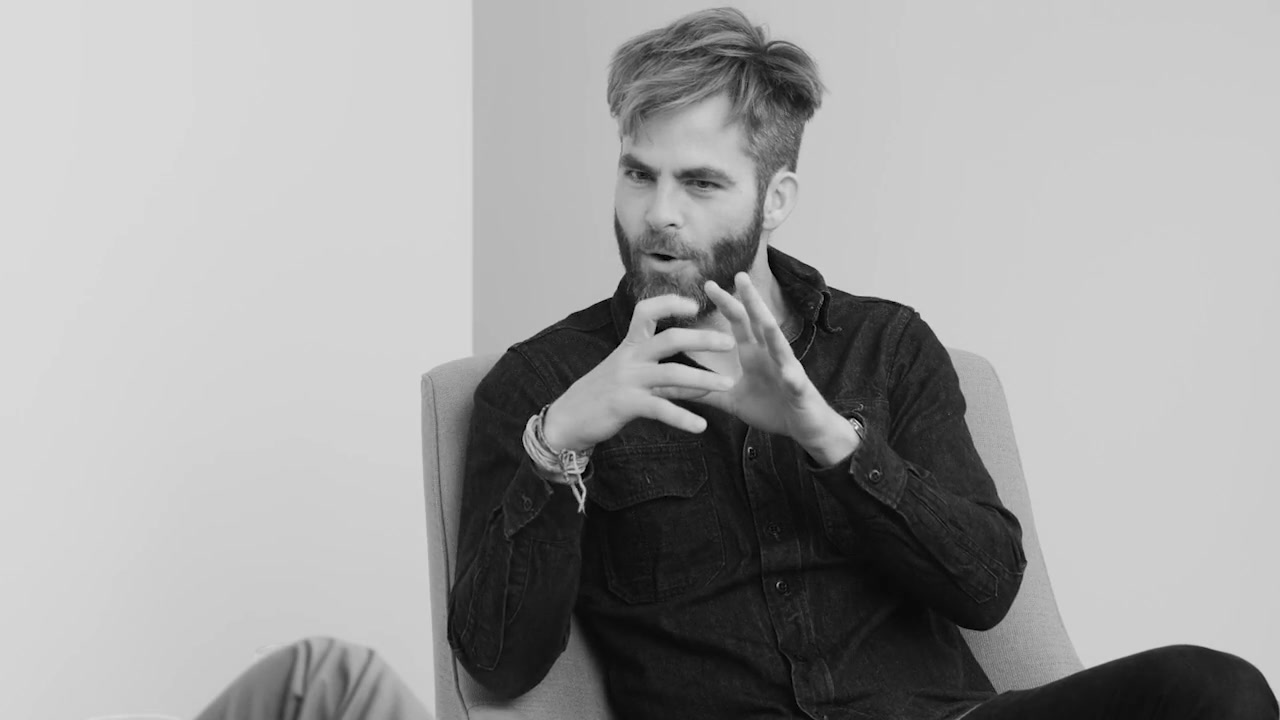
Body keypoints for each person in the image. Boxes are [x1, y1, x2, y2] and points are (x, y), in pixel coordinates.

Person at [448, 7, 1276, 720]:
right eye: (639, 174)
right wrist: (559, 444)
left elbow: (987, 588)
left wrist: (832, 440)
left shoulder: (887, 346)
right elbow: (496, 666)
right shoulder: (546, 386)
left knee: (1216, 690)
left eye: (700, 184)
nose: (658, 214)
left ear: (775, 200)